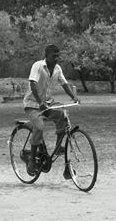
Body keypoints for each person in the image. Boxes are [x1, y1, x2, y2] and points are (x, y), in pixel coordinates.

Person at [23, 44, 79, 176]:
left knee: (63, 115)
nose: (57, 58)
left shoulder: (58, 69)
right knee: (40, 126)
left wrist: (74, 97)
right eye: (54, 56)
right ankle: (31, 160)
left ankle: (59, 146)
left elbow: (64, 84)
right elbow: (33, 84)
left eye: (58, 56)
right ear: (46, 56)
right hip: (33, 104)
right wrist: (39, 102)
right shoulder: (38, 66)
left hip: (47, 104)